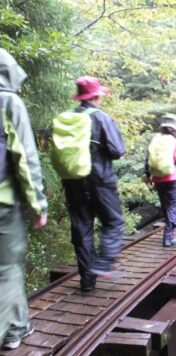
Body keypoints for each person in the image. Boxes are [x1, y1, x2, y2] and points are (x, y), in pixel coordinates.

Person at [0, 48, 48, 350]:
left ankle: (15, 326)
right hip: (3, 203)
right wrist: (39, 205)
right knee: (7, 268)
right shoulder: (8, 102)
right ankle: (13, 329)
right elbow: (25, 159)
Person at [62, 76, 125, 291]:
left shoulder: (67, 119)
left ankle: (87, 281)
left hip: (73, 181)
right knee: (114, 223)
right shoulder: (101, 118)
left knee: (82, 229)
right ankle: (104, 263)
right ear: (96, 96)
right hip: (100, 180)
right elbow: (117, 150)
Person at [145, 114, 176, 247]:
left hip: (158, 179)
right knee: (174, 207)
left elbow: (147, 158)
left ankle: (169, 234)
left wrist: (148, 175)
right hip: (172, 178)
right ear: (174, 128)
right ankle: (168, 236)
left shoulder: (155, 139)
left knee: (166, 207)